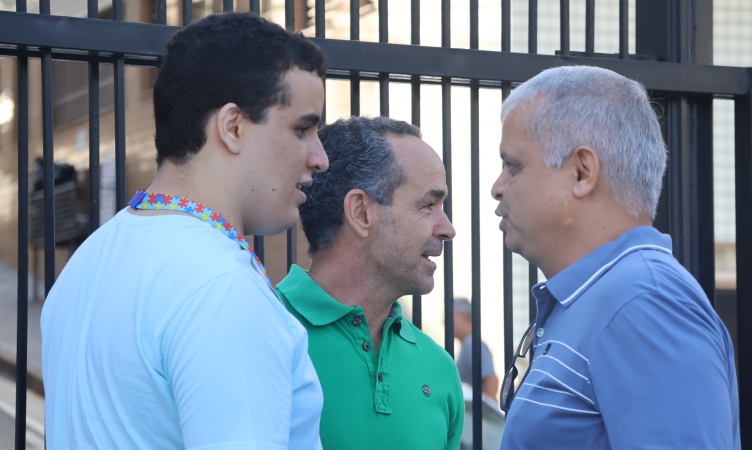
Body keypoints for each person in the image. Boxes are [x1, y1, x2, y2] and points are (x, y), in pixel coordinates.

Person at [40, 13, 329, 449]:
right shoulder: (221, 286)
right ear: (233, 127)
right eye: (302, 129)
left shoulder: (89, 260)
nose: (320, 158)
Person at [492, 66, 739, 449]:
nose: (498, 187)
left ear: (581, 172)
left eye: (513, 165)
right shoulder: (608, 298)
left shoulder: (644, 304)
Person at [276, 116, 464, 450]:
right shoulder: (266, 331)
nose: (447, 228)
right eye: (428, 205)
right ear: (361, 212)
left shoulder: (440, 368)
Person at [453, 297, 499, 400]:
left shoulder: (471, 343)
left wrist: (485, 409)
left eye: (450, 316)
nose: (444, 322)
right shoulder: (467, 343)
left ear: (464, 317)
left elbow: (491, 379)